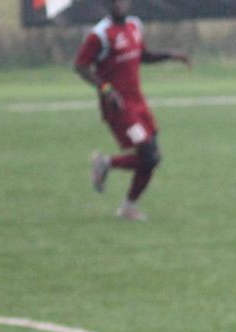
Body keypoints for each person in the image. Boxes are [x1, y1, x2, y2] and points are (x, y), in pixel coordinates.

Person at [74, 0, 190, 222]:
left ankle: (128, 207)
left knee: (152, 158)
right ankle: (106, 164)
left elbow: (142, 55)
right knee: (149, 156)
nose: (121, 3)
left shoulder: (135, 25)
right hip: (118, 107)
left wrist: (170, 55)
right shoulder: (99, 34)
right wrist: (106, 89)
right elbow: (80, 66)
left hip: (138, 103)